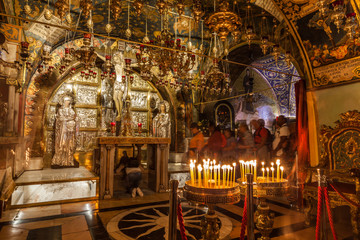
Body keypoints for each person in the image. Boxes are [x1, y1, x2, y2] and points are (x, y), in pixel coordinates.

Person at [51, 93, 79, 168]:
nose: (68, 102)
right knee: (62, 144)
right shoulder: (60, 110)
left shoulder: (71, 110)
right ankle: (59, 160)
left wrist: (75, 120)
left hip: (70, 130)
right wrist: (69, 119)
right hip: (63, 131)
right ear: (63, 101)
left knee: (70, 144)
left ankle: (69, 160)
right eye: (66, 100)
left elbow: (75, 118)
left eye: (69, 101)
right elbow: (60, 119)